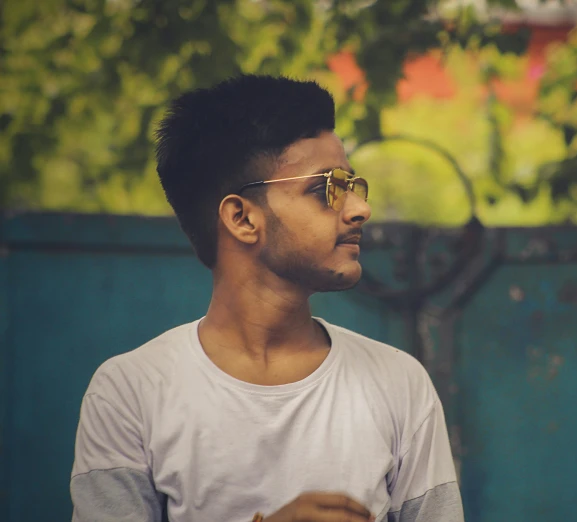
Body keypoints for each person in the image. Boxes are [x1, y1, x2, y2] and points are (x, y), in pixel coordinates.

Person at [70, 74, 464, 522]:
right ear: (242, 218)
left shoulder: (398, 383)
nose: (359, 209)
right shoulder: (131, 392)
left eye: (353, 186)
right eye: (326, 189)